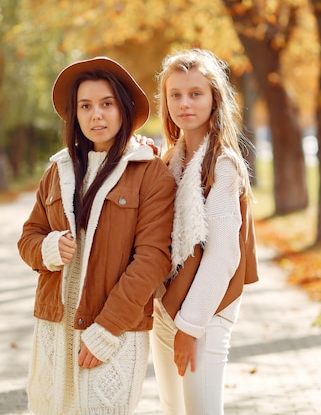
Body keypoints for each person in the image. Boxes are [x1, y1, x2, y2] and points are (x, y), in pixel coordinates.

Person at [17, 57, 176, 415]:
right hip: (56, 325)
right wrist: (47, 248)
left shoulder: (151, 174)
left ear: (123, 109)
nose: (96, 116)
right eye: (85, 106)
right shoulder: (58, 171)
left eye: (107, 104)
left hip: (112, 328)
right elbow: (29, 236)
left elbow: (152, 261)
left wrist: (107, 329)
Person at [150, 48, 260, 415]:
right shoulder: (169, 162)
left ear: (215, 99)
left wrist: (190, 327)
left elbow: (223, 255)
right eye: (175, 95)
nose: (185, 103)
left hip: (205, 314)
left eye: (196, 93)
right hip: (167, 309)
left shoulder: (223, 164)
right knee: (173, 409)